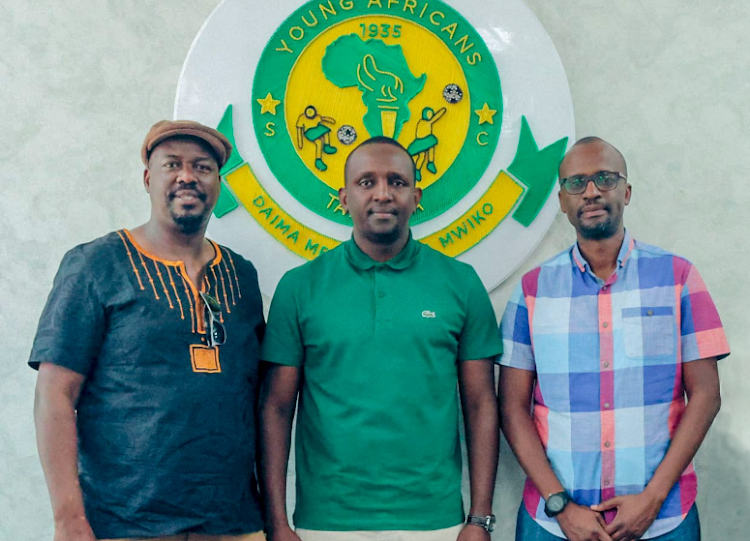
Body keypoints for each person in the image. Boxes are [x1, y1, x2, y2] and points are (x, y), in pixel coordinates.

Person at [30, 120, 266, 541]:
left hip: (232, 525)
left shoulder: (241, 277)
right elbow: (55, 394)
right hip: (124, 524)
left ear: (218, 182)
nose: (187, 176)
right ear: (147, 179)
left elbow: (257, 398)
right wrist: (68, 519)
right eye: (171, 164)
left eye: (203, 167)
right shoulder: (96, 265)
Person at [259, 136, 501, 541]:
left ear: (416, 196)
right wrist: (278, 523)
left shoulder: (460, 283)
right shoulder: (299, 287)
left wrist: (479, 519)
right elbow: (276, 409)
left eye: (397, 182)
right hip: (326, 522)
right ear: (343, 196)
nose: (383, 194)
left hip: (436, 521)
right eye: (366, 182)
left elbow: (480, 405)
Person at [498, 137, 729, 541]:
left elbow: (706, 395)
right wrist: (561, 506)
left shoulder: (678, 278)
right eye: (576, 183)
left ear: (626, 192)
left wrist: (652, 499)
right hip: (554, 524)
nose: (590, 191)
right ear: (562, 201)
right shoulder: (533, 290)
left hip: (662, 519)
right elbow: (512, 407)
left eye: (604, 178)